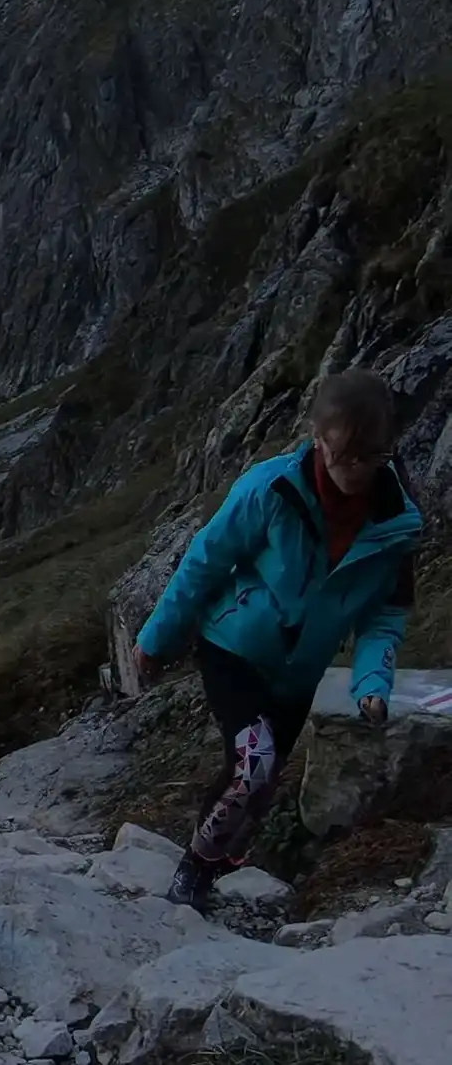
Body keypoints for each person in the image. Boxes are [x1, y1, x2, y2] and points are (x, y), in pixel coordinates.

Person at [132, 368, 422, 911]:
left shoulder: (396, 527)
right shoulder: (271, 488)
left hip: (298, 673)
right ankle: (190, 877)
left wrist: (372, 684)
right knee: (256, 761)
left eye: (370, 457)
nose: (354, 470)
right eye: (344, 455)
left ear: (387, 449)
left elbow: (385, 616)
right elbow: (204, 562)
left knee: (259, 785)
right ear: (319, 439)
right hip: (233, 647)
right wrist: (156, 639)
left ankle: (217, 859)